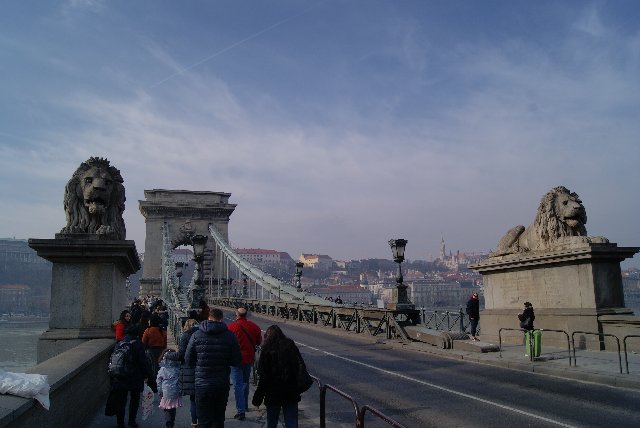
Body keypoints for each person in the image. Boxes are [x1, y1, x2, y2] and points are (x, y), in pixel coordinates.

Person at [186, 307, 241, 428]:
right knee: (218, 419)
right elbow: (236, 361)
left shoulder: (196, 335)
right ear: (221, 319)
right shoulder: (230, 336)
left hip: (202, 383)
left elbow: (188, 360)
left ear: (208, 318)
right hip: (221, 383)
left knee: (204, 420)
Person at [252, 325, 306, 428]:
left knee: (272, 422)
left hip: (273, 393)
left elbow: (263, 377)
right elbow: (299, 367)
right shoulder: (290, 345)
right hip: (290, 391)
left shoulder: (266, 349)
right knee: (291, 422)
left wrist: (257, 399)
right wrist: (298, 387)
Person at [107, 325, 150, 428]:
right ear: (137, 334)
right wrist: (146, 375)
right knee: (134, 400)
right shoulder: (138, 344)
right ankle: (131, 421)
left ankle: (120, 423)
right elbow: (142, 362)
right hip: (134, 376)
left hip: (120, 375)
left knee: (121, 401)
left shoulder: (119, 343)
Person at [228, 307, 262, 421]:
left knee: (237, 385)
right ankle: (245, 406)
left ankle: (241, 410)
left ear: (237, 315)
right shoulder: (254, 326)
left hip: (235, 360)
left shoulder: (231, 327)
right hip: (249, 359)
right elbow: (258, 341)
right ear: (246, 315)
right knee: (245, 382)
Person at [179, 312, 200, 428]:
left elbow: (182, 354)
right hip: (202, 368)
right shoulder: (202, 335)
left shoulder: (185, 336)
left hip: (189, 369)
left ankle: (194, 422)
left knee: (193, 398)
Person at [156, 348, 183, 428]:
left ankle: (168, 422)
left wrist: (160, 392)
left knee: (167, 408)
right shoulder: (178, 369)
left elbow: (159, 382)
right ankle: (172, 422)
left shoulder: (162, 369)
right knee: (173, 408)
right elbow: (181, 381)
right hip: (175, 393)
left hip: (165, 393)